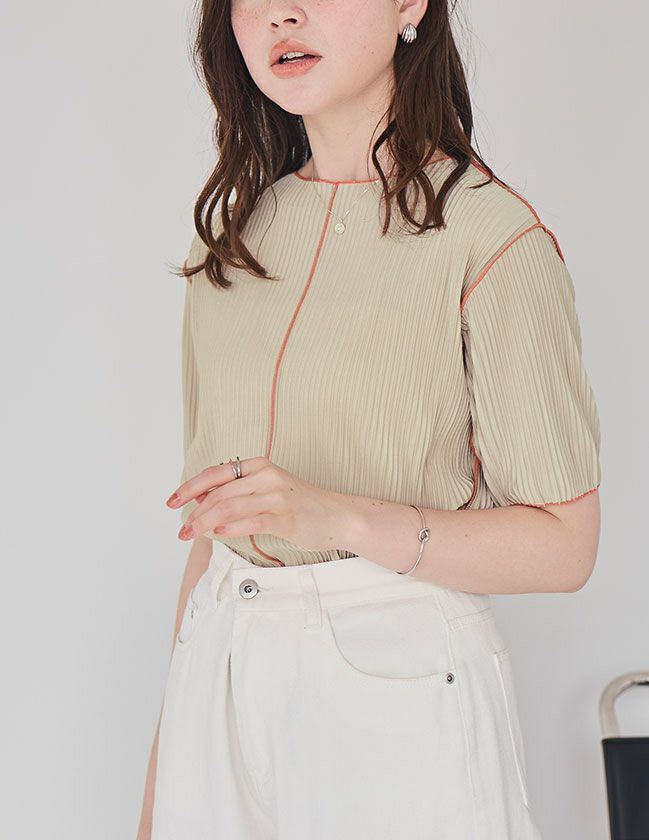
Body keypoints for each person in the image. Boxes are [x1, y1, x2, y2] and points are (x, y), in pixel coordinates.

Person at [137, 0, 602, 837]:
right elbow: (212, 531)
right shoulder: (232, 242)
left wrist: (343, 518)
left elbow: (566, 546)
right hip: (219, 669)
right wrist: (161, 790)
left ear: (410, 5)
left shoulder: (492, 238)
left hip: (395, 689)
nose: (282, 14)